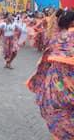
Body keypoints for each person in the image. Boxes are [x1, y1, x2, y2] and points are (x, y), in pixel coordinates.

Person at [26, 9, 74, 140]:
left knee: (58, 113)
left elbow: (45, 60)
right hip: (66, 83)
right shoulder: (66, 37)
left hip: (56, 84)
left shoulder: (56, 39)